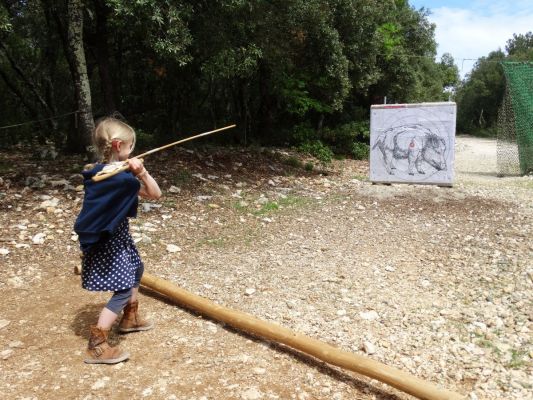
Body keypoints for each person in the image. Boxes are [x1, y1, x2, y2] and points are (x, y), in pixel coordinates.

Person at [74, 117, 162, 364]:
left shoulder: (96, 171)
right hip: (110, 241)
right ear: (118, 146)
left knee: (137, 268)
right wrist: (142, 172)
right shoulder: (122, 179)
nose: (133, 151)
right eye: (131, 146)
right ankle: (98, 343)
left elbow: (125, 188)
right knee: (123, 289)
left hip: (117, 237)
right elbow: (155, 193)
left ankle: (129, 318)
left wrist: (129, 172)